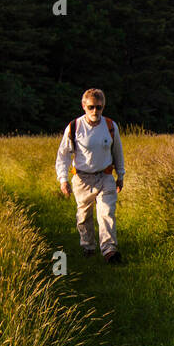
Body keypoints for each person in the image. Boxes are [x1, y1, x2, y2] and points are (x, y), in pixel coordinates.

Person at [56, 88, 125, 262]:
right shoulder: (74, 127)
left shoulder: (110, 126)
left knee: (106, 213)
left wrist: (121, 175)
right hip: (82, 179)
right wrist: (63, 180)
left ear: (103, 106)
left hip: (105, 177)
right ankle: (88, 246)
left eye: (99, 107)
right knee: (84, 216)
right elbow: (63, 155)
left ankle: (109, 251)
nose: (95, 111)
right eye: (91, 107)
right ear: (84, 106)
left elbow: (118, 152)